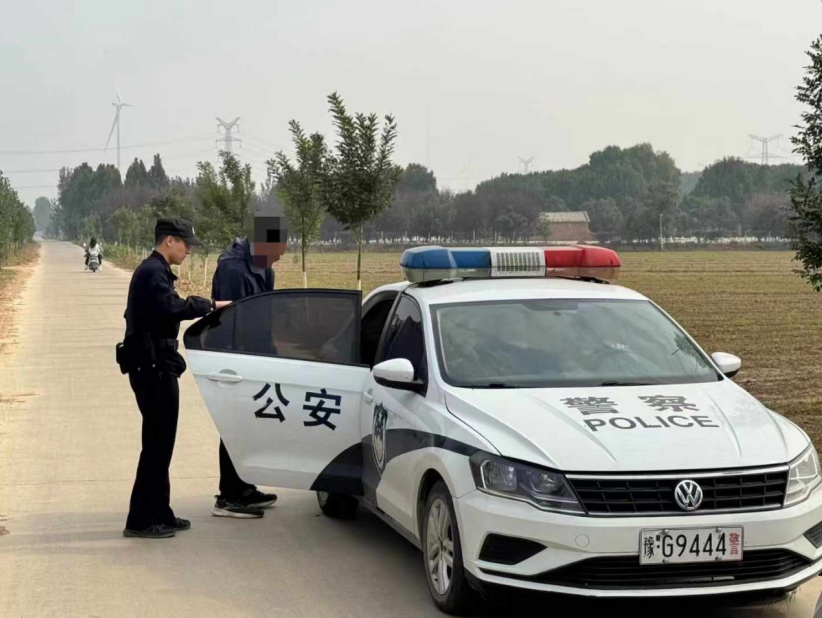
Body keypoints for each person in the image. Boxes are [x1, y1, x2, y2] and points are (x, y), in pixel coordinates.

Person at [120, 217, 230, 538]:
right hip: (152, 367)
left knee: (161, 443)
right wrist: (210, 305)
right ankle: (140, 521)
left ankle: (160, 513)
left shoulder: (154, 271)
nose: (189, 251)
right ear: (169, 240)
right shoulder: (152, 272)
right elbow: (171, 308)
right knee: (156, 444)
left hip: (156, 364)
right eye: (186, 244)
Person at [210, 211, 287, 518]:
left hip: (256, 355)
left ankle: (245, 487)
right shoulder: (231, 269)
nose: (279, 259)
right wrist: (244, 365)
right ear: (261, 244)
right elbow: (231, 321)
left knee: (251, 424)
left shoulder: (263, 267)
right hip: (235, 358)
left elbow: (264, 314)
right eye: (276, 252)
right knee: (235, 424)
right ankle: (229, 496)